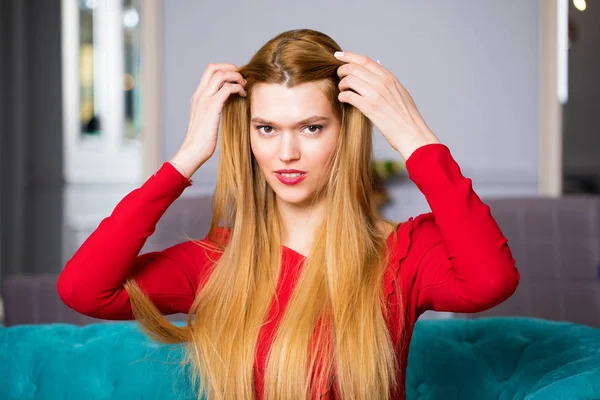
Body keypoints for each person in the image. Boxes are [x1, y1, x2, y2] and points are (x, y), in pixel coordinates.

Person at [56, 28, 520, 400]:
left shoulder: (402, 254)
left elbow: (492, 282)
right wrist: (185, 160)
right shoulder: (216, 263)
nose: (287, 153)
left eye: (311, 127)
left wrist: (416, 138)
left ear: (345, 133)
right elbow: (83, 290)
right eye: (267, 129)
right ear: (250, 134)